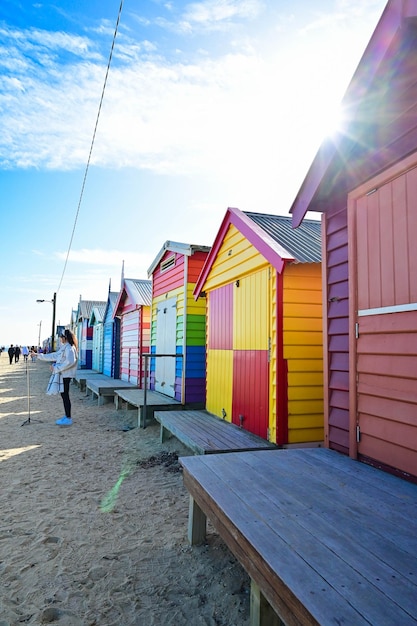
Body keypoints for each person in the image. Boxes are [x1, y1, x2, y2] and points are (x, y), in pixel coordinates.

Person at [35, 329, 78, 426]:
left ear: (65, 338)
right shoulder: (65, 347)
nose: (60, 339)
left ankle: (68, 418)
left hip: (65, 375)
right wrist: (39, 356)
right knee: (64, 395)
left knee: (65, 395)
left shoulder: (69, 348)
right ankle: (67, 416)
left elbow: (70, 362)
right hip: (63, 374)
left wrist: (56, 368)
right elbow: (54, 356)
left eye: (61, 337)